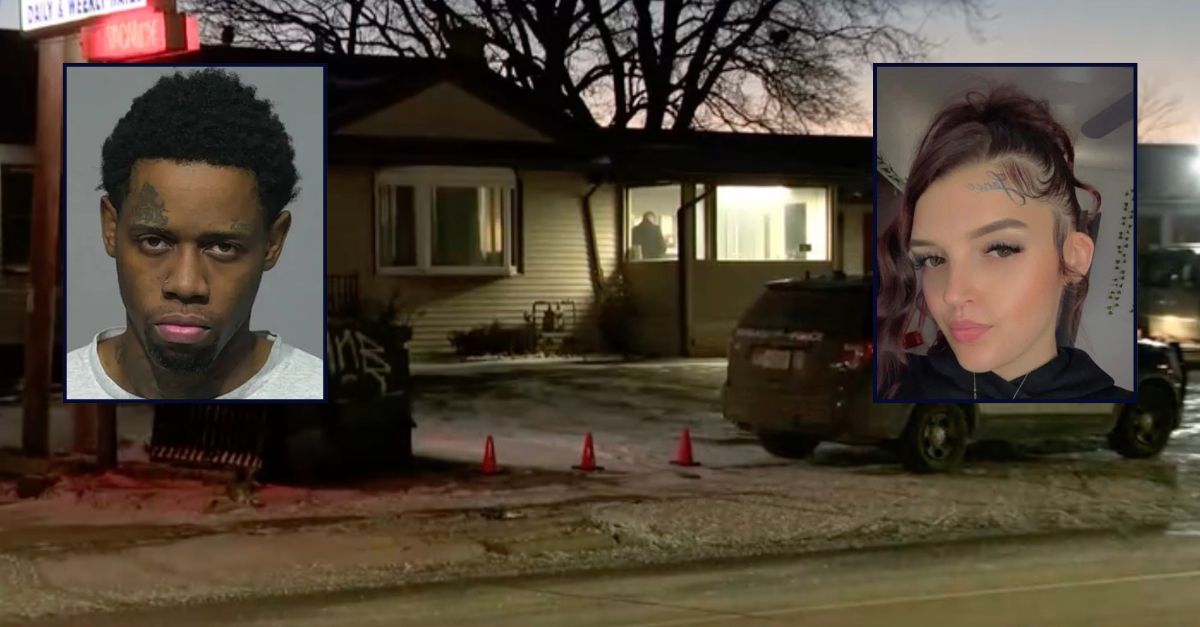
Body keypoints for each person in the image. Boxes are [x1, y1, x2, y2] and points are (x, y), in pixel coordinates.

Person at [66, 68, 323, 400]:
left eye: (223, 247)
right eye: (154, 242)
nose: (186, 285)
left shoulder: (313, 390)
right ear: (111, 228)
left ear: (273, 243)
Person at [876, 85, 1131, 401]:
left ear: (1074, 258)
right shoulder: (890, 386)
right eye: (933, 258)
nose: (953, 294)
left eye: (1000, 248)